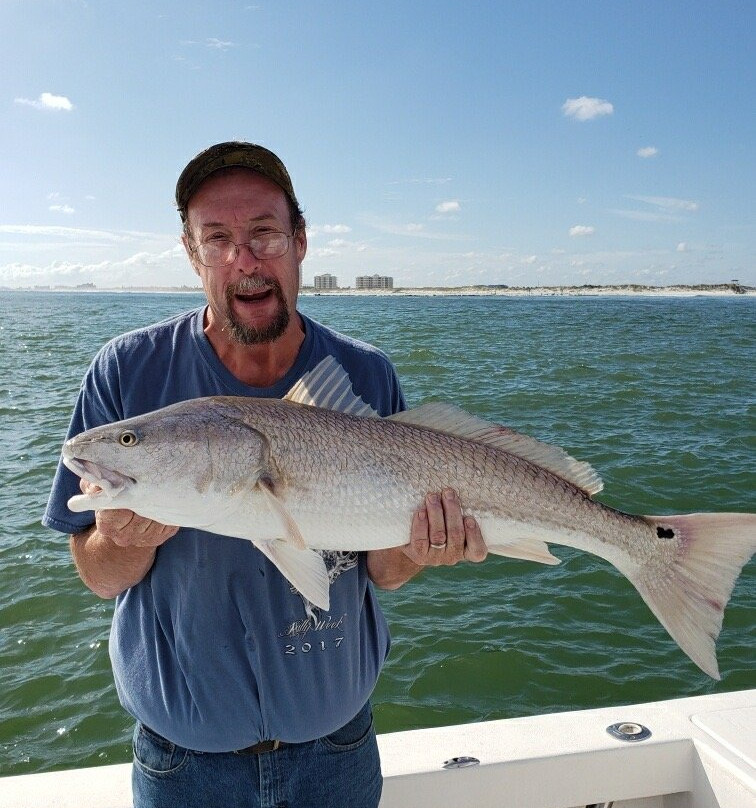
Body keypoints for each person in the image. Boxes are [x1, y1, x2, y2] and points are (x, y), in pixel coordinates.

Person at [43, 141, 487, 808]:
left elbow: (385, 570)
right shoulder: (124, 371)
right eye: (216, 238)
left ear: (300, 242)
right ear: (192, 254)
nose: (242, 260)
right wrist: (124, 539)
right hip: (182, 769)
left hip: (337, 756)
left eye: (263, 234)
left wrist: (425, 545)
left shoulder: (365, 373)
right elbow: (99, 576)